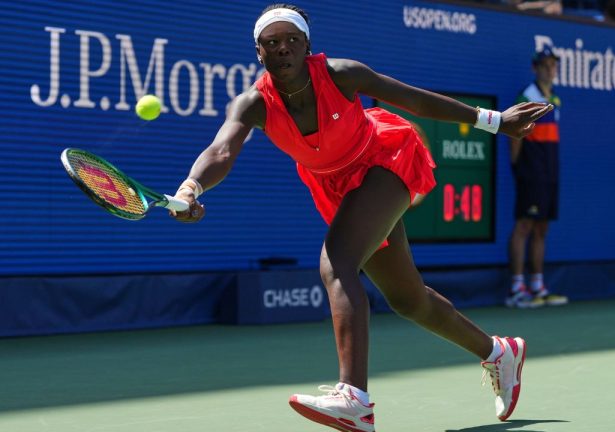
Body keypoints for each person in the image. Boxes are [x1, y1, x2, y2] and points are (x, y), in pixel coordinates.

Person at [171, 4, 552, 431]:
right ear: (259, 52)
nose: (283, 49)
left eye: (292, 40)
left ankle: (354, 397)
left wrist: (494, 121)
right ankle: (499, 352)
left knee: (337, 263)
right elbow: (221, 150)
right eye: (272, 43)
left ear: (307, 46)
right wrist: (191, 187)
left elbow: (413, 99)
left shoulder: (342, 74)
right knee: (409, 301)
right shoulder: (253, 104)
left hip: (383, 160)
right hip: (335, 187)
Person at [506, 46, 569, 309]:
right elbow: (513, 134)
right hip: (530, 172)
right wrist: (518, 166)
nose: (549, 69)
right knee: (524, 226)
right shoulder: (527, 97)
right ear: (535, 68)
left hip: (550, 173)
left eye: (553, 65)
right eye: (544, 65)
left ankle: (537, 286)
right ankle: (517, 288)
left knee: (542, 227)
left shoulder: (555, 99)